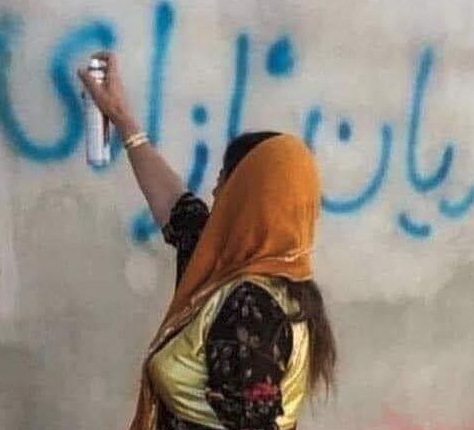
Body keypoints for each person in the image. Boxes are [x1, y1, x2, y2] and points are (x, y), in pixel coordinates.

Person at [78, 52, 336, 430]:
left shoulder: (251, 306)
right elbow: (178, 208)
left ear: (247, 200)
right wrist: (122, 120)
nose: (214, 193)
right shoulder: (230, 272)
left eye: (224, 182)